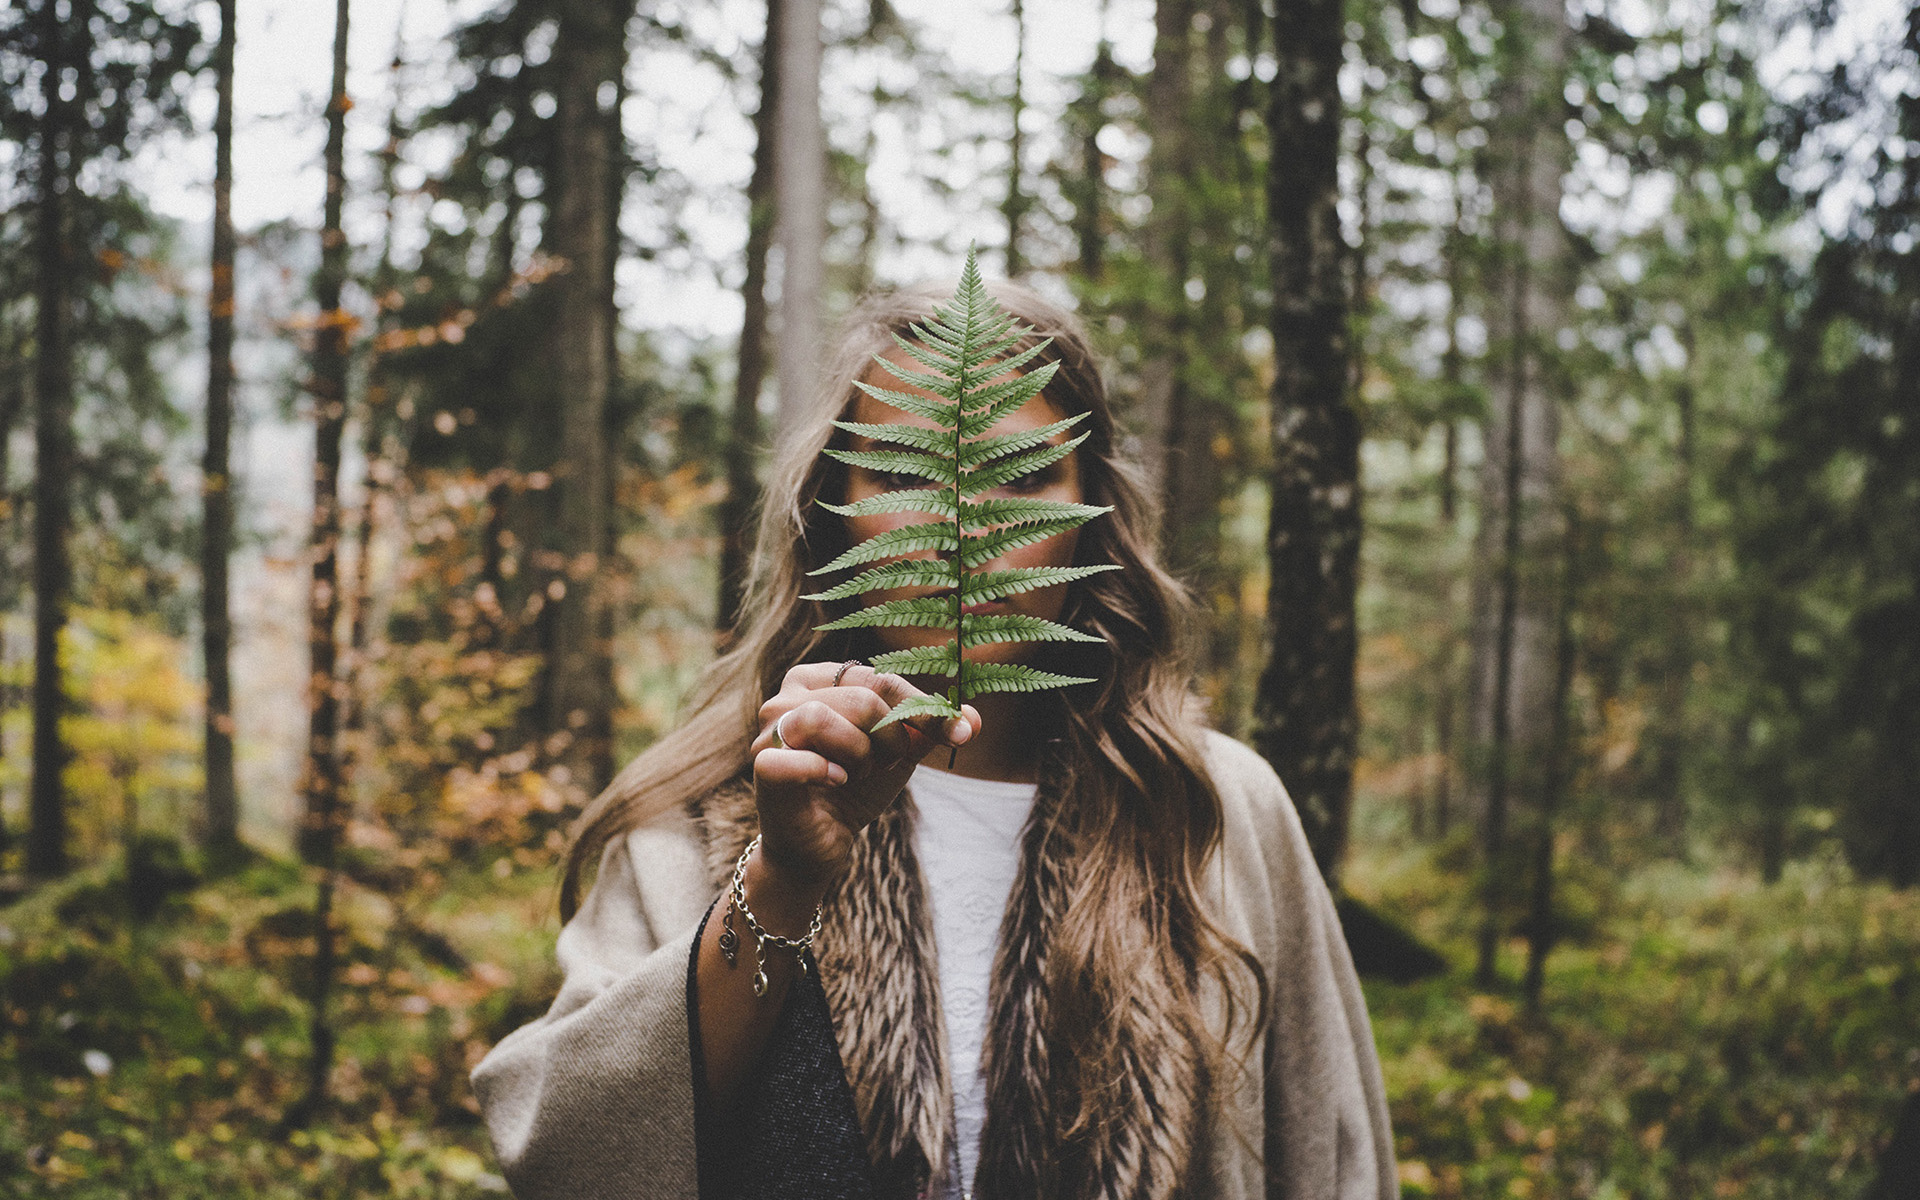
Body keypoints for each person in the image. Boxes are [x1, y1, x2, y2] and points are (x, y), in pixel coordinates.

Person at [472, 278, 1396, 1200]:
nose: (964, 523)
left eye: (1025, 478)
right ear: (834, 509)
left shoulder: (1214, 808)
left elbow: (1335, 1160)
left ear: (1091, 517)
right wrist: (783, 878)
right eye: (908, 474)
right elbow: (571, 1157)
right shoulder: (703, 806)